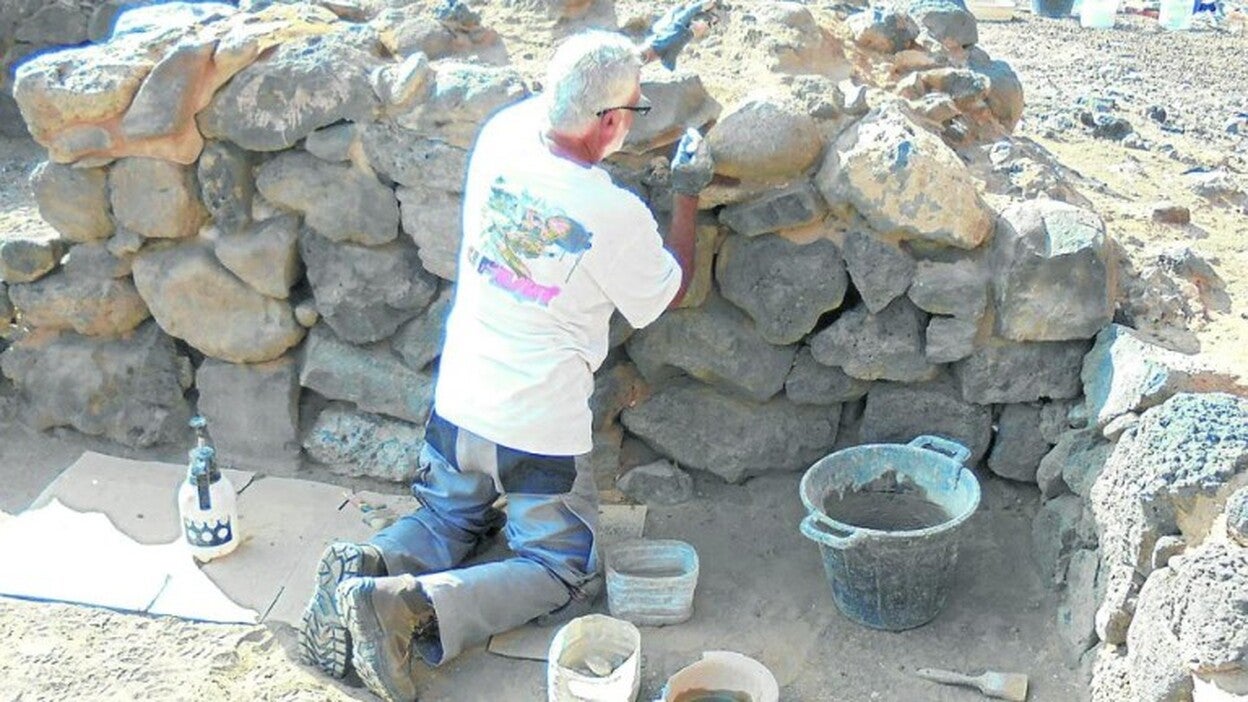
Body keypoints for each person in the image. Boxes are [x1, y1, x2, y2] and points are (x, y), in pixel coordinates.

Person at [297, 12, 716, 702]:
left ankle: (366, 564)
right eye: (631, 111)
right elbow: (667, 289)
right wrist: (689, 192)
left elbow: (578, 92)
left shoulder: (504, 133)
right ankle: (405, 608)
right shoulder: (609, 212)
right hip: (534, 436)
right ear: (612, 123)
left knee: (446, 519)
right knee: (560, 569)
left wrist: (639, 57)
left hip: (458, 405)